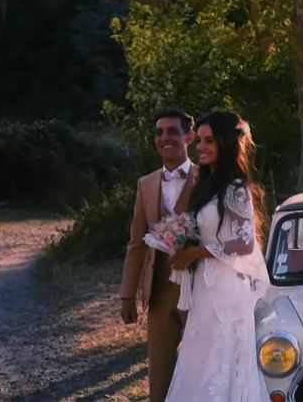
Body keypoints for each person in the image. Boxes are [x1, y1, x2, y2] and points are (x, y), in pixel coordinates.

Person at [166, 111, 271, 401]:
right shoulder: (208, 185)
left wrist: (198, 251)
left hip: (227, 288)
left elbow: (245, 244)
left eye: (209, 140)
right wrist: (180, 241)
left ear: (225, 143)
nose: (200, 146)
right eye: (198, 140)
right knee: (200, 357)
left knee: (224, 360)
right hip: (204, 285)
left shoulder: (237, 190)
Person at [119, 109, 198, 402]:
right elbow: (136, 243)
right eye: (159, 132)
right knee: (159, 379)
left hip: (200, 290)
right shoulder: (146, 183)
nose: (165, 138)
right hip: (158, 293)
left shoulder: (208, 178)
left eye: (172, 131)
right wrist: (127, 294)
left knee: (201, 370)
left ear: (189, 136)